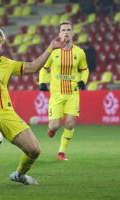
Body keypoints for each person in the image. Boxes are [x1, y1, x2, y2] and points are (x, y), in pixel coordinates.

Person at [0, 26, 67, 185]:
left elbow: (33, 67)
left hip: (6, 112)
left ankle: (19, 175)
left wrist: (51, 48)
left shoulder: (6, 63)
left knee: (34, 150)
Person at [38, 21, 89, 161]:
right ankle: (51, 129)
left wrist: (83, 80)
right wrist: (42, 81)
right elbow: (44, 68)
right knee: (54, 125)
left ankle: (61, 152)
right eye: (63, 30)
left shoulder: (79, 52)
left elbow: (85, 69)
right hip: (56, 94)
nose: (66, 32)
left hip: (73, 93)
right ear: (59, 34)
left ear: (73, 33)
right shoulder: (54, 51)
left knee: (70, 123)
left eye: (68, 30)